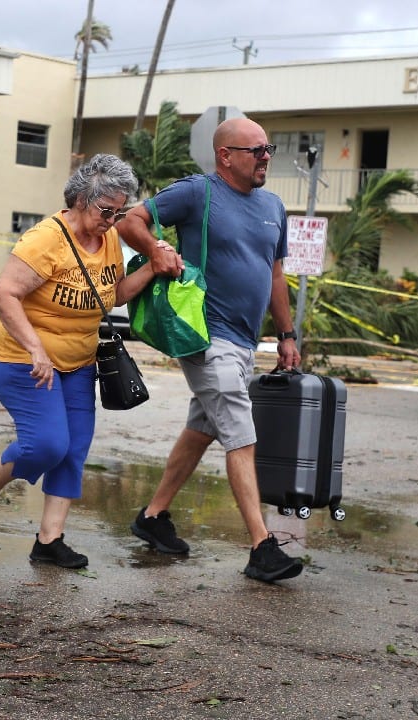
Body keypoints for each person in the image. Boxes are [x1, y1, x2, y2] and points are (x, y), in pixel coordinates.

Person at [116, 117, 306, 583]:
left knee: (203, 426)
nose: (266, 158)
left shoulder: (273, 207)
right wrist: (158, 249)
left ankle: (153, 516)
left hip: (244, 341)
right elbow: (130, 220)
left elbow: (275, 274)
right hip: (204, 334)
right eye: (256, 150)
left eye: (269, 150)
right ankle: (262, 546)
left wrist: (286, 335)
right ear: (226, 155)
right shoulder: (197, 193)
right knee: (240, 432)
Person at [0, 154, 158, 569]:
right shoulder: (44, 240)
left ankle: (50, 540)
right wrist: (35, 347)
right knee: (47, 444)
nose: (113, 220)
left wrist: (154, 268)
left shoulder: (107, 240)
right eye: (107, 211)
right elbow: (4, 293)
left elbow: (115, 294)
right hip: (24, 361)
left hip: (79, 364)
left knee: (73, 450)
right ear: (81, 201)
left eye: (119, 212)